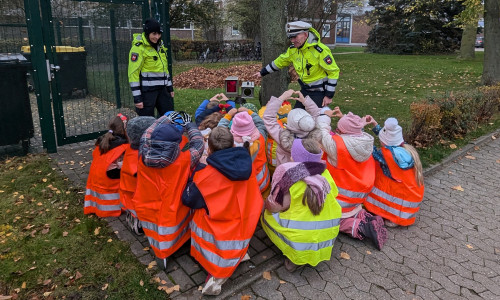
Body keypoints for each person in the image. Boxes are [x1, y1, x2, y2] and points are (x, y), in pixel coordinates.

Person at [182, 127, 263, 295]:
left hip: (219, 227)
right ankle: (239, 255)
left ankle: (217, 273)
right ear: (233, 144)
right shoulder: (246, 163)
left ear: (209, 149)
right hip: (245, 221)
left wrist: (196, 171)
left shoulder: (206, 174)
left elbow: (188, 199)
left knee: (197, 213)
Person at [132, 114, 204, 270]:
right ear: (175, 144)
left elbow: (147, 133)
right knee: (170, 229)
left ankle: (160, 250)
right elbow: (198, 144)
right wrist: (189, 125)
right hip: (172, 206)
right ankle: (164, 252)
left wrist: (165, 118)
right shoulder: (184, 160)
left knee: (155, 229)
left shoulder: (142, 154)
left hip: (147, 203)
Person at [261, 138, 342, 272]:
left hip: (301, 238)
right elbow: (334, 195)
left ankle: (295, 258)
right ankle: (304, 253)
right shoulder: (325, 173)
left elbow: (276, 206)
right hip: (328, 234)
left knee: (266, 215)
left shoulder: (289, 177)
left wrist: (265, 204)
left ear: (294, 157)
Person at [317, 108, 387, 250]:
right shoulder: (365, 141)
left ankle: (361, 228)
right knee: (353, 210)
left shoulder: (337, 147)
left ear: (343, 132)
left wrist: (325, 116)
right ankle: (365, 216)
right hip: (358, 196)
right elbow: (353, 129)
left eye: (338, 129)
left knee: (336, 221)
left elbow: (321, 132)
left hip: (340, 199)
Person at [255, 21, 340, 109]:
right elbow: (280, 61)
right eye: (290, 38)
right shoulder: (293, 50)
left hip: (319, 92)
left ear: (305, 34)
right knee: (295, 117)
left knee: (316, 120)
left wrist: (329, 95)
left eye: (295, 37)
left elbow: (333, 72)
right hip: (304, 90)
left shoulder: (320, 50)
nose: (292, 41)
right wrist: (262, 72)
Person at [364, 116, 425, 227]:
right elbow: (387, 140)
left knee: (382, 184)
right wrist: (375, 124)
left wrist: (358, 131)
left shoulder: (387, 155)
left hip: (403, 202)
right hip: (411, 194)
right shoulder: (402, 149)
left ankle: (394, 217)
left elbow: (370, 150)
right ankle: (393, 214)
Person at [84, 113, 129, 217]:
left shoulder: (104, 140)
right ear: (125, 128)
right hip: (109, 186)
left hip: (97, 181)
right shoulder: (123, 147)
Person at [263, 89, 322, 166]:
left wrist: (281, 98)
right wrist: (305, 101)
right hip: (308, 170)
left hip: (285, 171)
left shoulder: (282, 138)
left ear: (289, 124)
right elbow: (317, 114)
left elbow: (268, 117)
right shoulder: (316, 138)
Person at [128, 18, 174, 117]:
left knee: (169, 117)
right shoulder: (138, 48)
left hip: (162, 90)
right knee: (146, 122)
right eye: (154, 34)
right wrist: (137, 98)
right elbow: (133, 74)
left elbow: (165, 69)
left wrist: (170, 88)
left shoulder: (160, 47)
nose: (157, 37)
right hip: (147, 92)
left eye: (159, 33)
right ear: (147, 33)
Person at [218, 106, 270, 193]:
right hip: (261, 181)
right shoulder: (260, 137)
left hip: (241, 185)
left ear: (233, 128)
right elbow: (261, 124)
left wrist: (228, 115)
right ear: (252, 126)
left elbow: (219, 131)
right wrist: (249, 112)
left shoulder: (228, 142)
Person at [119, 116, 156, 235]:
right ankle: (139, 223)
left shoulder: (132, 149)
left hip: (130, 198)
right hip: (139, 202)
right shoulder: (143, 159)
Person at [259, 100, 292, 174]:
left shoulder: (275, 125)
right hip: (286, 160)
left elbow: (263, 117)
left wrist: (267, 107)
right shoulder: (292, 125)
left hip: (272, 157)